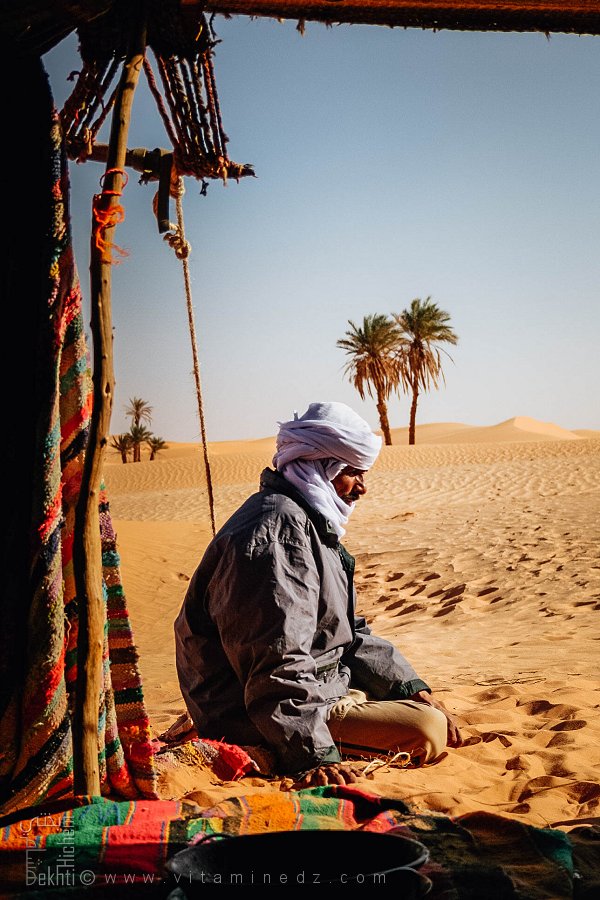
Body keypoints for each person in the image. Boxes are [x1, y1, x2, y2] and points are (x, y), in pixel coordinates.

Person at [174, 401, 462, 788]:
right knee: (427, 730)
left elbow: (349, 632)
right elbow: (275, 659)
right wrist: (313, 755)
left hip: (319, 687)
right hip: (254, 712)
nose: (362, 487)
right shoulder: (278, 533)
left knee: (426, 709)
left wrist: (412, 688)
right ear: (320, 468)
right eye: (352, 473)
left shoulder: (308, 523)